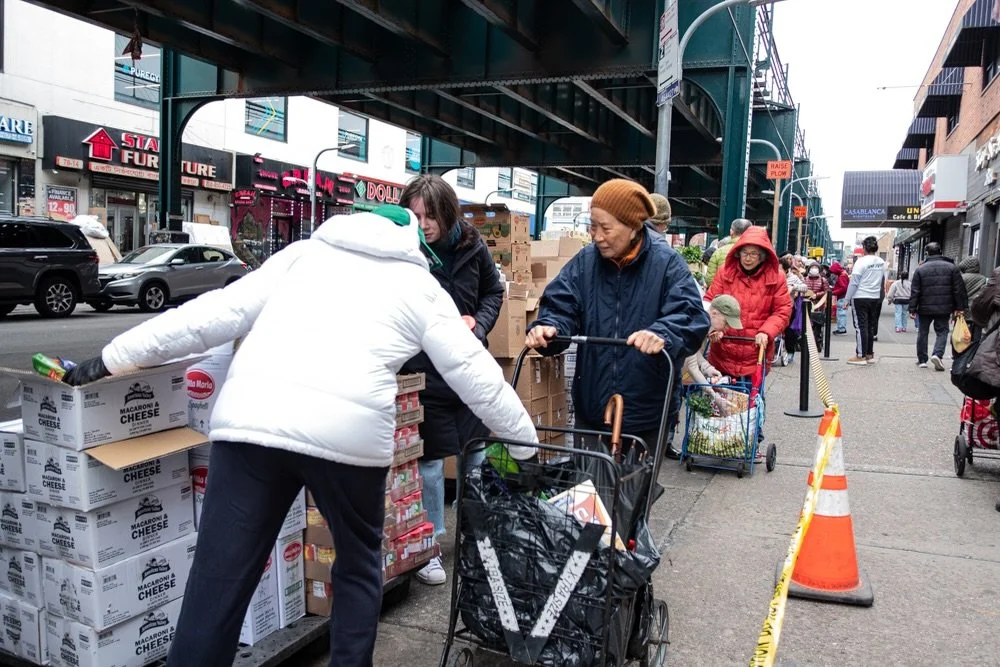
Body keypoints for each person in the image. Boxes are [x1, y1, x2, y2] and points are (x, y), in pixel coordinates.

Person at [62, 205, 538, 667]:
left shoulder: (300, 255)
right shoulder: (420, 286)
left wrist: (109, 358)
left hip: (251, 424)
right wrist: (527, 447)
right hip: (347, 441)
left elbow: (207, 317)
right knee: (357, 564)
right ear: (411, 240)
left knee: (219, 576)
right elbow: (477, 376)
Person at [525, 179, 709, 460]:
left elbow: (691, 317)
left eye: (605, 228)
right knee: (589, 499)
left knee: (632, 498)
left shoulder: (667, 264)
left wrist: (662, 333)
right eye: (592, 226)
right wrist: (549, 327)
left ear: (634, 226)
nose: (597, 236)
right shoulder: (585, 262)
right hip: (593, 408)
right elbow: (561, 304)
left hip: (647, 411)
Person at [396, 175, 503, 586]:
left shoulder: (472, 246)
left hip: (468, 367)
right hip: (424, 371)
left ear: (448, 212)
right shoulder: (405, 253)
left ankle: (475, 534)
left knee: (475, 454)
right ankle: (431, 545)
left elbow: (494, 292)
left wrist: (479, 324)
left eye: (430, 215)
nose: (422, 224)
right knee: (429, 462)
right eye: (415, 215)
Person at [704, 225, 793, 449]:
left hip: (755, 351)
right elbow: (711, 301)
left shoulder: (776, 277)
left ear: (763, 255)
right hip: (723, 348)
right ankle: (718, 441)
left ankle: (750, 438)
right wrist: (714, 329)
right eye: (745, 253)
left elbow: (782, 311)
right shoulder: (726, 272)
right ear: (738, 252)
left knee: (751, 398)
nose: (749, 258)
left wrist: (766, 331)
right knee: (720, 398)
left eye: (754, 254)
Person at [909, 242, 967, 371]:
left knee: (923, 332)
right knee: (942, 331)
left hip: (924, 307)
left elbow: (915, 291)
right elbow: (958, 290)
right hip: (944, 307)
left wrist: (912, 308)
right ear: (940, 252)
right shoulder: (952, 268)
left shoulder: (920, 269)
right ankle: (937, 354)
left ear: (927, 253)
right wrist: (960, 307)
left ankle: (922, 360)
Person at [845, 236, 887, 366]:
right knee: (870, 325)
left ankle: (860, 355)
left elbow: (854, 282)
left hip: (861, 296)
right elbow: (882, 280)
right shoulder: (881, 262)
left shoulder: (861, 262)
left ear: (864, 248)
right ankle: (869, 354)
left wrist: (847, 299)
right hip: (874, 297)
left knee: (860, 326)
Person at [706, 218, 752, 286]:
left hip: (722, 293)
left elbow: (710, 279)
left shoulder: (719, 252)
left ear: (731, 232)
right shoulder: (759, 253)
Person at [803, 261, 828, 348]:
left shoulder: (823, 280)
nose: (814, 269)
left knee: (817, 326)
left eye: (816, 268)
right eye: (812, 267)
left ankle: (816, 343)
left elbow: (826, 292)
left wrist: (816, 295)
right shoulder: (805, 279)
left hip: (818, 305)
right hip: (806, 303)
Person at [830, 261, 850, 334]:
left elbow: (843, 288)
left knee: (841, 313)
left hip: (842, 297)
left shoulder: (842, 276)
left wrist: (833, 292)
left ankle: (841, 329)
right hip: (843, 296)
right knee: (841, 312)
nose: (833, 273)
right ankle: (841, 328)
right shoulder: (843, 274)